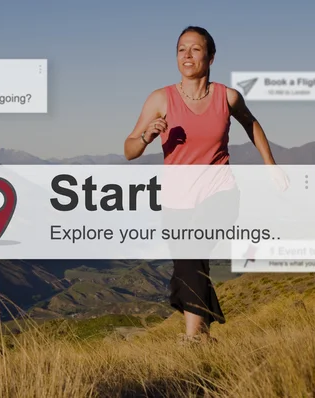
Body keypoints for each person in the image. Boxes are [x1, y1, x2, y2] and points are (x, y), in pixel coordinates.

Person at [124, 26, 285, 344]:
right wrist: (147, 136)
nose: (187, 55)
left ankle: (193, 337)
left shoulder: (227, 97)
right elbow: (129, 149)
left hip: (220, 191)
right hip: (175, 200)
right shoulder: (160, 99)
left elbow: (251, 124)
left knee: (191, 250)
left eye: (195, 49)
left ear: (210, 56)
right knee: (186, 266)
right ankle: (203, 335)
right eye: (181, 49)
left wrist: (271, 165)